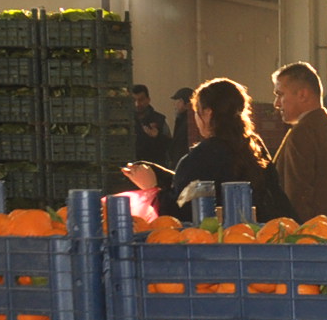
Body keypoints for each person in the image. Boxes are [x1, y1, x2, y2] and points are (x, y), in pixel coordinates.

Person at [122, 79, 294, 221]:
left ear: (208, 113)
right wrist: (161, 175)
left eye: (196, 112)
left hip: (222, 244)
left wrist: (151, 187)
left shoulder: (205, 155)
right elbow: (198, 183)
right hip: (265, 236)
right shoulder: (253, 145)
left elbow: (180, 209)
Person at [269, 61, 327, 225]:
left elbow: (296, 198)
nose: (276, 104)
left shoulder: (302, 134)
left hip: (312, 234)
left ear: (303, 95)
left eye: (280, 94)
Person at [131, 84, 170, 164]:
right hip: (131, 166)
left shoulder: (159, 120)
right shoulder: (125, 121)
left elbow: (170, 145)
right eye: (134, 100)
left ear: (148, 100)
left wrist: (157, 136)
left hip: (154, 166)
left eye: (141, 100)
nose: (137, 104)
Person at [168, 87, 197, 165]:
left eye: (178, 101)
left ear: (185, 103)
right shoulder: (182, 119)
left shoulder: (189, 122)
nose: (175, 105)